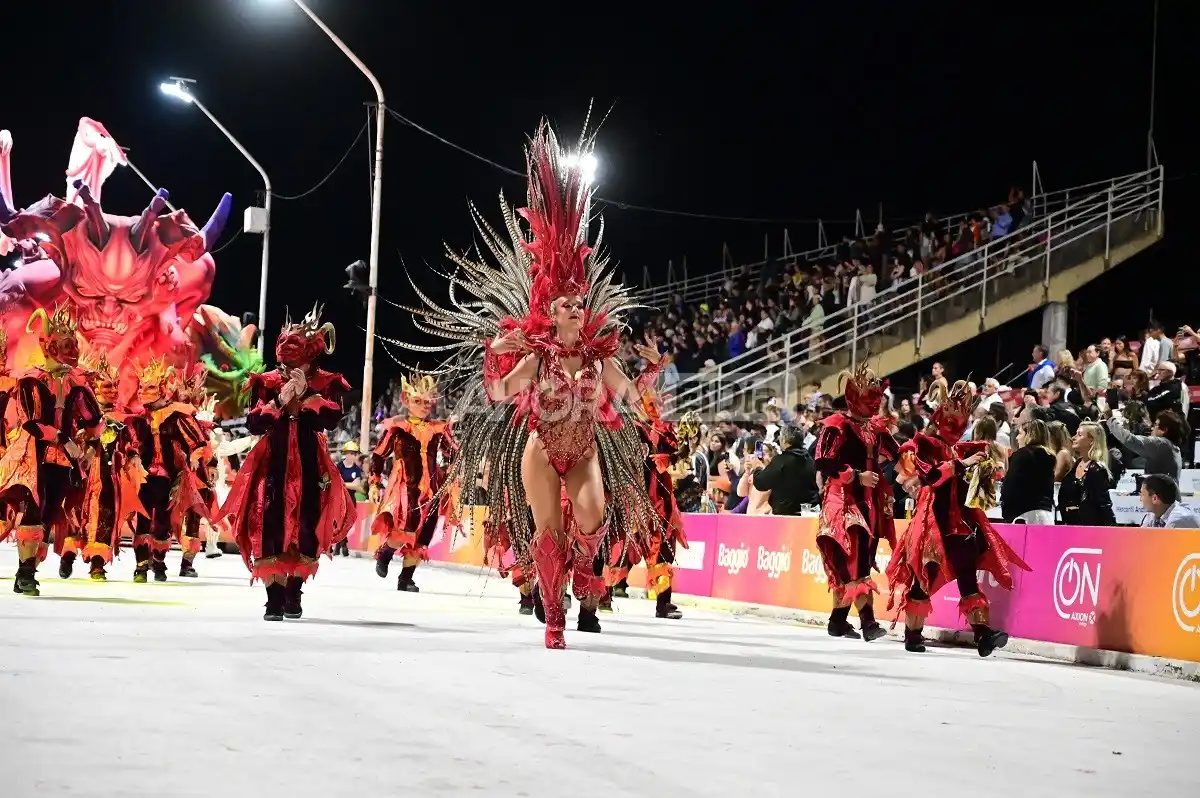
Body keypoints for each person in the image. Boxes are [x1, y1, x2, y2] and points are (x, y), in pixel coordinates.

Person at [387, 122, 661, 649]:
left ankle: (585, 574)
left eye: (580, 304)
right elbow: (498, 394)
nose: (576, 309)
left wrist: (652, 368)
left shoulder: (599, 358)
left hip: (583, 448)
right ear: (550, 312)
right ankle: (554, 616)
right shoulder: (536, 358)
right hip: (540, 447)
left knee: (593, 515)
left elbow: (630, 397)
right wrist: (495, 358)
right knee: (548, 532)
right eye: (566, 304)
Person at [217, 304, 357, 621]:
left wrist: (307, 395)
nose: (287, 348)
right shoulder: (265, 381)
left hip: (310, 462)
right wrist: (280, 400)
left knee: (307, 527)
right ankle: (273, 597)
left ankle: (294, 591)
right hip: (272, 463)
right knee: (269, 525)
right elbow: (253, 423)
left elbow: (332, 420)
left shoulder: (327, 381)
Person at [888, 380, 1030, 656]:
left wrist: (984, 469)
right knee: (923, 577)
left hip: (960, 522)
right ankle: (913, 633)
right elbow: (929, 476)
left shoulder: (962, 448)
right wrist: (959, 465)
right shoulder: (924, 444)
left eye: (961, 420)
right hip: (933, 521)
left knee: (967, 576)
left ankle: (982, 634)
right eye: (951, 418)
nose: (956, 425)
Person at [0, 306, 102, 595]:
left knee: (47, 515)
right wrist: (63, 437)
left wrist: (91, 444)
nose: (72, 351)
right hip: (34, 455)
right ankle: (25, 573)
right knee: (33, 509)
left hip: (64, 459)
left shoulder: (76, 382)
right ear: (49, 347)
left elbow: (93, 419)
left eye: (73, 345)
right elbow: (32, 422)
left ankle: (28, 570)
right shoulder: (31, 380)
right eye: (65, 345)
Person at [812, 364, 899, 642]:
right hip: (843, 502)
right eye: (869, 398)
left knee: (861, 558)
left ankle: (837, 621)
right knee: (855, 560)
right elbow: (824, 462)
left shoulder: (876, 429)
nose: (875, 404)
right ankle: (868, 623)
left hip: (870, 504)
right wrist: (857, 475)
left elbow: (897, 454)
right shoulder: (836, 426)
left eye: (877, 398)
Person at [123, 358, 209, 583]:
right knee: (142, 519)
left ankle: (159, 561)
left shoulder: (176, 415)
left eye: (149, 387)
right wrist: (132, 455)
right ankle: (141, 565)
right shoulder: (138, 420)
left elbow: (198, 442)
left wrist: (193, 459)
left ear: (162, 389)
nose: (143, 392)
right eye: (141, 387)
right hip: (142, 475)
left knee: (161, 519)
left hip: (168, 476)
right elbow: (130, 444)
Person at [369, 374, 454, 592]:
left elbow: (453, 453)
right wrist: (374, 482)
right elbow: (378, 455)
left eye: (428, 402)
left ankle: (406, 578)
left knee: (424, 533)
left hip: (432, 488)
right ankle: (386, 552)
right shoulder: (398, 427)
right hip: (405, 486)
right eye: (418, 401)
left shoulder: (439, 429)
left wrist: (456, 473)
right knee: (405, 526)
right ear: (407, 401)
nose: (424, 406)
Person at [76, 352, 145, 581]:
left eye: (115, 386)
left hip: (108, 476)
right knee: (74, 515)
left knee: (105, 515)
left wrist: (133, 454)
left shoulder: (122, 419)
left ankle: (97, 563)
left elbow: (130, 442)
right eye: (107, 386)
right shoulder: (83, 413)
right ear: (95, 388)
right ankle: (66, 556)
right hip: (82, 473)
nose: (113, 391)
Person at [751, 424, 819, 515]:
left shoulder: (781, 460)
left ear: (785, 440)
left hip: (789, 515)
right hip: (810, 511)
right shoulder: (809, 459)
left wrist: (757, 467)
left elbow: (761, 483)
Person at [1058, 422, 1116, 526]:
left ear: (1091, 440)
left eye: (1079, 435)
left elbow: (1103, 506)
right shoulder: (1075, 465)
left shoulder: (1097, 469)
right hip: (1070, 525)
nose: (1073, 437)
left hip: (1089, 529)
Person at [1001, 418, 1057, 524]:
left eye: (1020, 434)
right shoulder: (1049, 456)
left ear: (1030, 435)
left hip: (1024, 515)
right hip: (1046, 515)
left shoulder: (1023, 454)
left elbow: (1011, 484)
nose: (1017, 438)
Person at [1106, 408, 1186, 481]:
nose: (1152, 428)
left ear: (1164, 430)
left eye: (1156, 425)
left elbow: (1130, 439)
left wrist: (1110, 419)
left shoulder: (1161, 444)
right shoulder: (1172, 447)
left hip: (1160, 494)